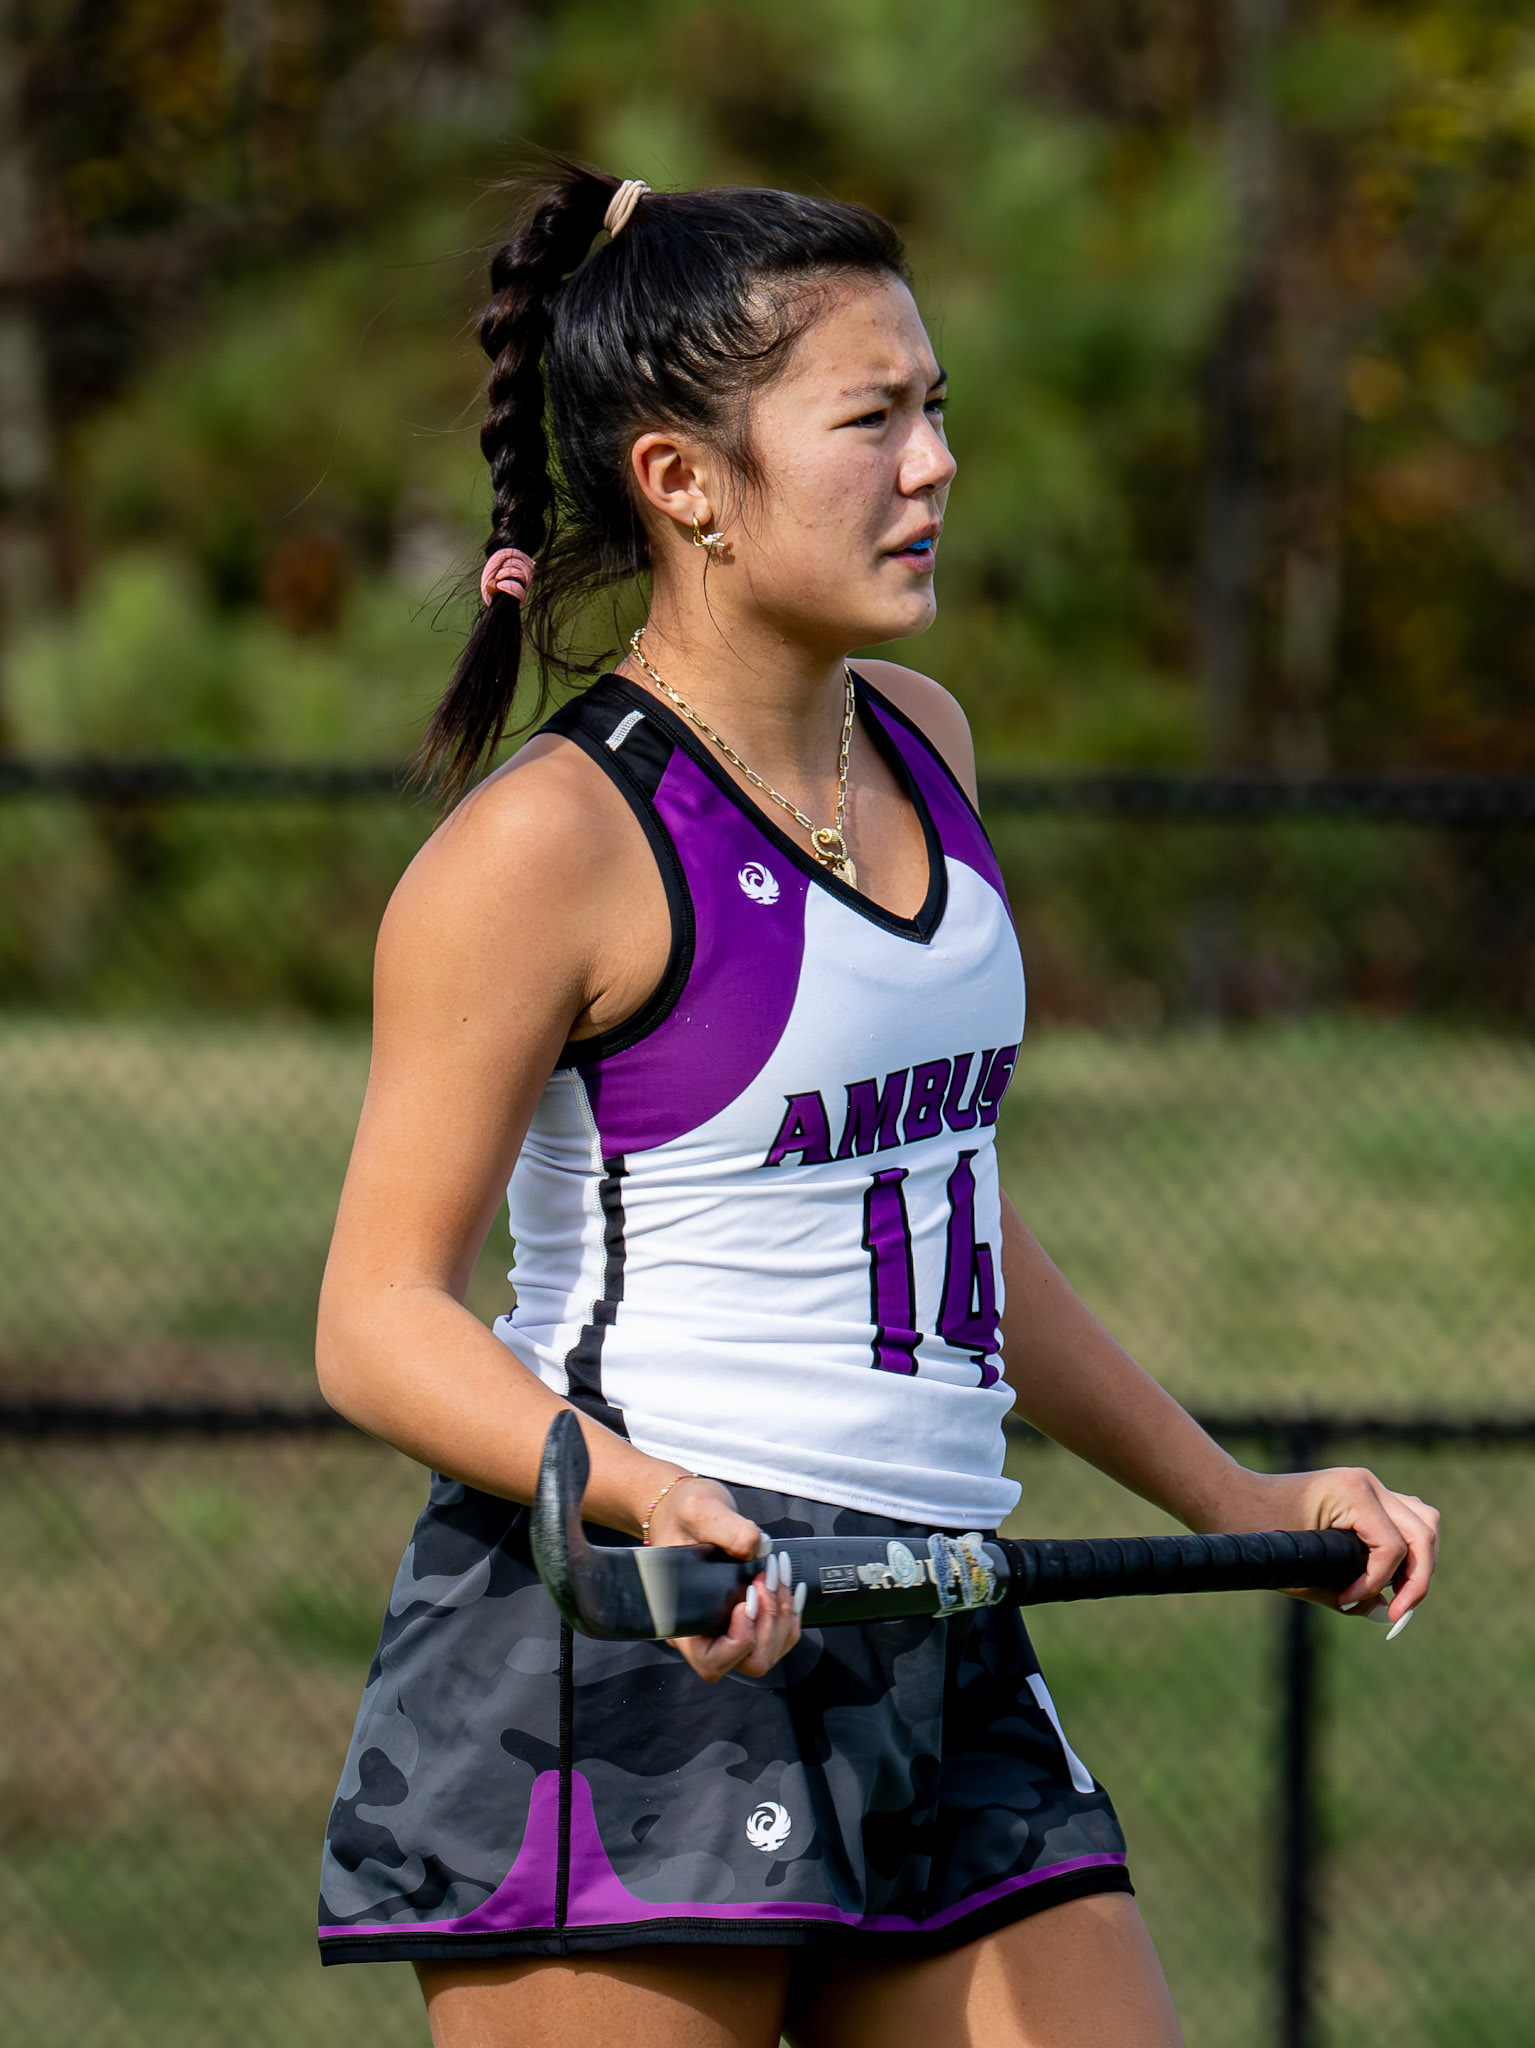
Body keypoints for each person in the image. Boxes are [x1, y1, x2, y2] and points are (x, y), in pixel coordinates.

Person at [313, 162, 1439, 2048]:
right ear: (683, 481)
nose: (934, 465)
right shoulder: (548, 845)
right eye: (872, 420)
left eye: (937, 410)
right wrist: (652, 1499)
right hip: (639, 1642)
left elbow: (952, 1216)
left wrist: (1241, 1495)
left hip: (937, 1618)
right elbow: (373, 1319)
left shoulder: (925, 742)